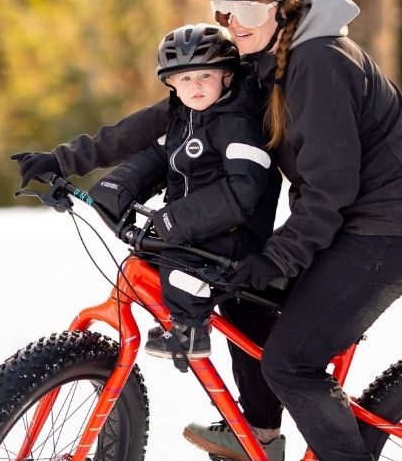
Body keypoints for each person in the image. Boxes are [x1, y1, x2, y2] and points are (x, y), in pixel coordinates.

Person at [13, 0, 402, 461]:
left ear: (281, 6)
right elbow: (173, 124)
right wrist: (72, 162)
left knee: (292, 359)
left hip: (392, 232)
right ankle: (264, 441)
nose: (228, 23)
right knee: (241, 298)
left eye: (241, 11)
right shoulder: (264, 63)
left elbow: (331, 191)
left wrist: (274, 257)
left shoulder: (320, 62)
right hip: (346, 226)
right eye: (221, 10)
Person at [23, 23, 277, 363]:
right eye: (185, 78)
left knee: (177, 263)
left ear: (227, 76)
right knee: (148, 256)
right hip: (195, 229)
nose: (196, 86)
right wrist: (75, 169)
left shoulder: (238, 123)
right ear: (170, 82)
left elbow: (243, 191)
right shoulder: (181, 113)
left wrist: (175, 219)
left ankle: (190, 331)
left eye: (205, 75)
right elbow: (131, 141)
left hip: (235, 236)